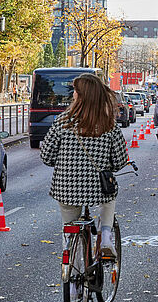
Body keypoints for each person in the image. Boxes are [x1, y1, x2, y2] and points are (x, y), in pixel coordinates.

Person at [40, 73, 128, 258]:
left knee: (69, 225)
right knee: (109, 199)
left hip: (66, 188)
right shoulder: (109, 124)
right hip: (98, 188)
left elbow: (46, 156)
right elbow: (120, 161)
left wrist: (67, 162)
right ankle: (105, 237)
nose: (73, 94)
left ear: (80, 95)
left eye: (75, 91)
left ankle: (68, 255)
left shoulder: (62, 122)